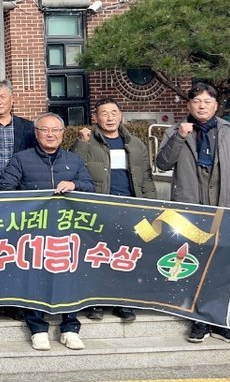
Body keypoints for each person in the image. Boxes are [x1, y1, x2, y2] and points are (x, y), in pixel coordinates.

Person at [156, 82, 230, 345]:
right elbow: (162, 163)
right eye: (197, 101)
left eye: (207, 102)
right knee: (196, 263)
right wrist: (180, 137)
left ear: (216, 105)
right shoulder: (175, 131)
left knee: (224, 266)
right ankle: (199, 321)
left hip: (228, 209)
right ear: (188, 105)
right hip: (191, 210)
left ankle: (221, 322)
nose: (202, 106)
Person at [0, 112, 95, 352]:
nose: (50, 134)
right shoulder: (21, 159)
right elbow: (6, 188)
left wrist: (74, 185)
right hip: (34, 233)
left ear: (62, 134)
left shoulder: (73, 160)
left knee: (69, 278)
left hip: (66, 233)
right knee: (34, 279)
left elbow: (90, 187)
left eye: (55, 130)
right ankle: (37, 328)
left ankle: (70, 328)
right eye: (45, 130)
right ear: (36, 133)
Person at [75, 97, 158, 322]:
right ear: (95, 117)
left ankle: (123, 302)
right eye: (104, 113)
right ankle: (96, 302)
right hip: (100, 208)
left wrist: (150, 207)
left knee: (125, 255)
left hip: (130, 207)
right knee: (98, 255)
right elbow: (74, 167)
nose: (110, 118)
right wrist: (82, 143)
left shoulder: (136, 144)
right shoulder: (87, 141)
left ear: (121, 115)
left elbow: (146, 178)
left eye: (114, 113)